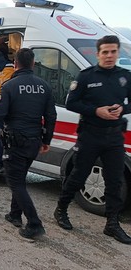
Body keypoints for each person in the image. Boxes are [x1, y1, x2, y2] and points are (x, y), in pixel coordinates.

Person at [54, 35, 131, 245]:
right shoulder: (86, 76)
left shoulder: (125, 76)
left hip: (114, 137)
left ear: (117, 52)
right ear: (98, 54)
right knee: (78, 176)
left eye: (113, 51)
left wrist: (123, 108)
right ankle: (61, 210)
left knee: (114, 182)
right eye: (105, 52)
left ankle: (112, 224)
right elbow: (71, 103)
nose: (109, 56)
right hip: (90, 135)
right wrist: (96, 111)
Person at [0, 48, 57, 240]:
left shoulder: (9, 86)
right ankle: (14, 214)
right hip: (34, 141)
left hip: (15, 141)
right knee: (20, 176)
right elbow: (51, 116)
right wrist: (47, 141)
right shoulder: (44, 86)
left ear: (15, 64)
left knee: (16, 182)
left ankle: (34, 224)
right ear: (33, 64)